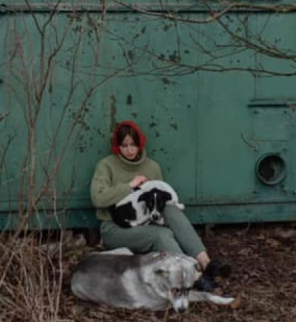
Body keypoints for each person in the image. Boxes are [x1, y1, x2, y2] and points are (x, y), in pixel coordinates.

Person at [90, 119, 228, 291]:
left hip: (145, 223)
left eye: (133, 144)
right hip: (114, 229)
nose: (129, 150)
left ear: (140, 143)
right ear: (118, 146)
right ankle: (193, 276)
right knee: (161, 235)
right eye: (124, 146)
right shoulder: (107, 165)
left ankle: (205, 262)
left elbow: (158, 205)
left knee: (170, 208)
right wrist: (130, 186)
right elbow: (98, 198)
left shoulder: (151, 167)